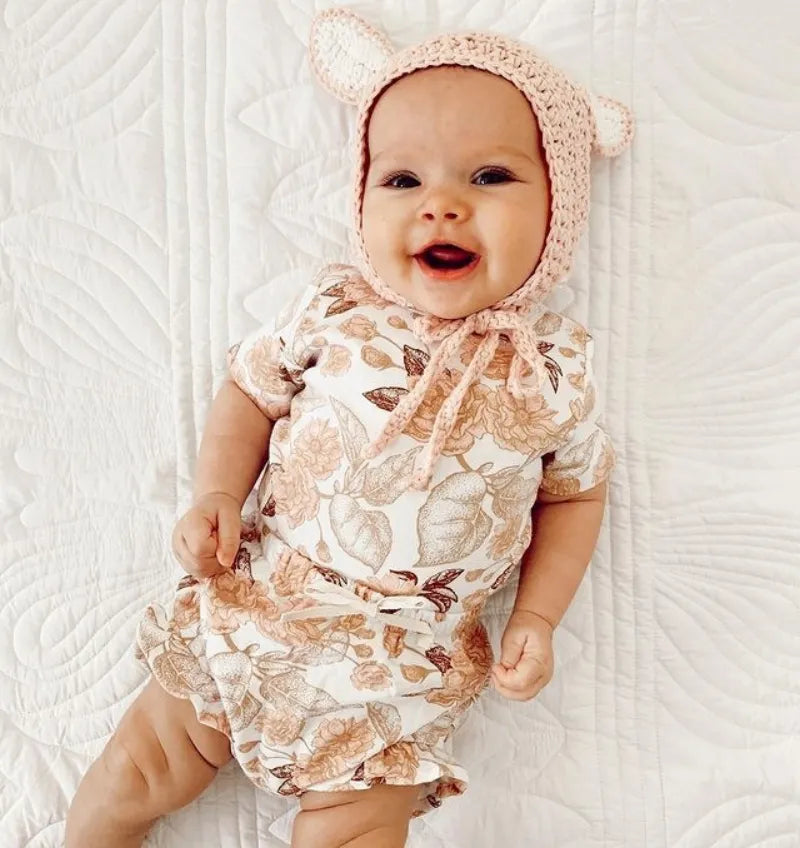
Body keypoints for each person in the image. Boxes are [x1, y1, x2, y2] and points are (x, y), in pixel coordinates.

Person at [65, 7, 633, 848]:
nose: (441, 206)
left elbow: (576, 496)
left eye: (489, 177)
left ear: (559, 207)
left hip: (399, 670)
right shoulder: (338, 307)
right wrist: (217, 494)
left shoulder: (553, 367)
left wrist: (538, 618)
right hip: (264, 605)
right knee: (140, 769)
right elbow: (251, 391)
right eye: (402, 180)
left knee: (359, 830)